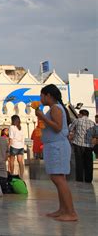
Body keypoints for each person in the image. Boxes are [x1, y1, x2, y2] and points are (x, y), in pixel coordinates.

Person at [35, 84, 78, 222]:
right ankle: (63, 209)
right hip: (54, 145)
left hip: (57, 146)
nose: (40, 98)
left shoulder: (55, 108)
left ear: (48, 95)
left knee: (58, 179)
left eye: (42, 95)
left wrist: (42, 117)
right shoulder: (55, 108)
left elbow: (58, 127)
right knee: (58, 178)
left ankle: (71, 212)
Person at [69, 109, 95, 183]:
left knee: (79, 162)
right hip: (89, 145)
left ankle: (79, 179)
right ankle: (88, 179)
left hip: (78, 144)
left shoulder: (77, 120)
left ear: (80, 114)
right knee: (89, 163)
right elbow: (95, 133)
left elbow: (70, 129)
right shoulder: (92, 123)